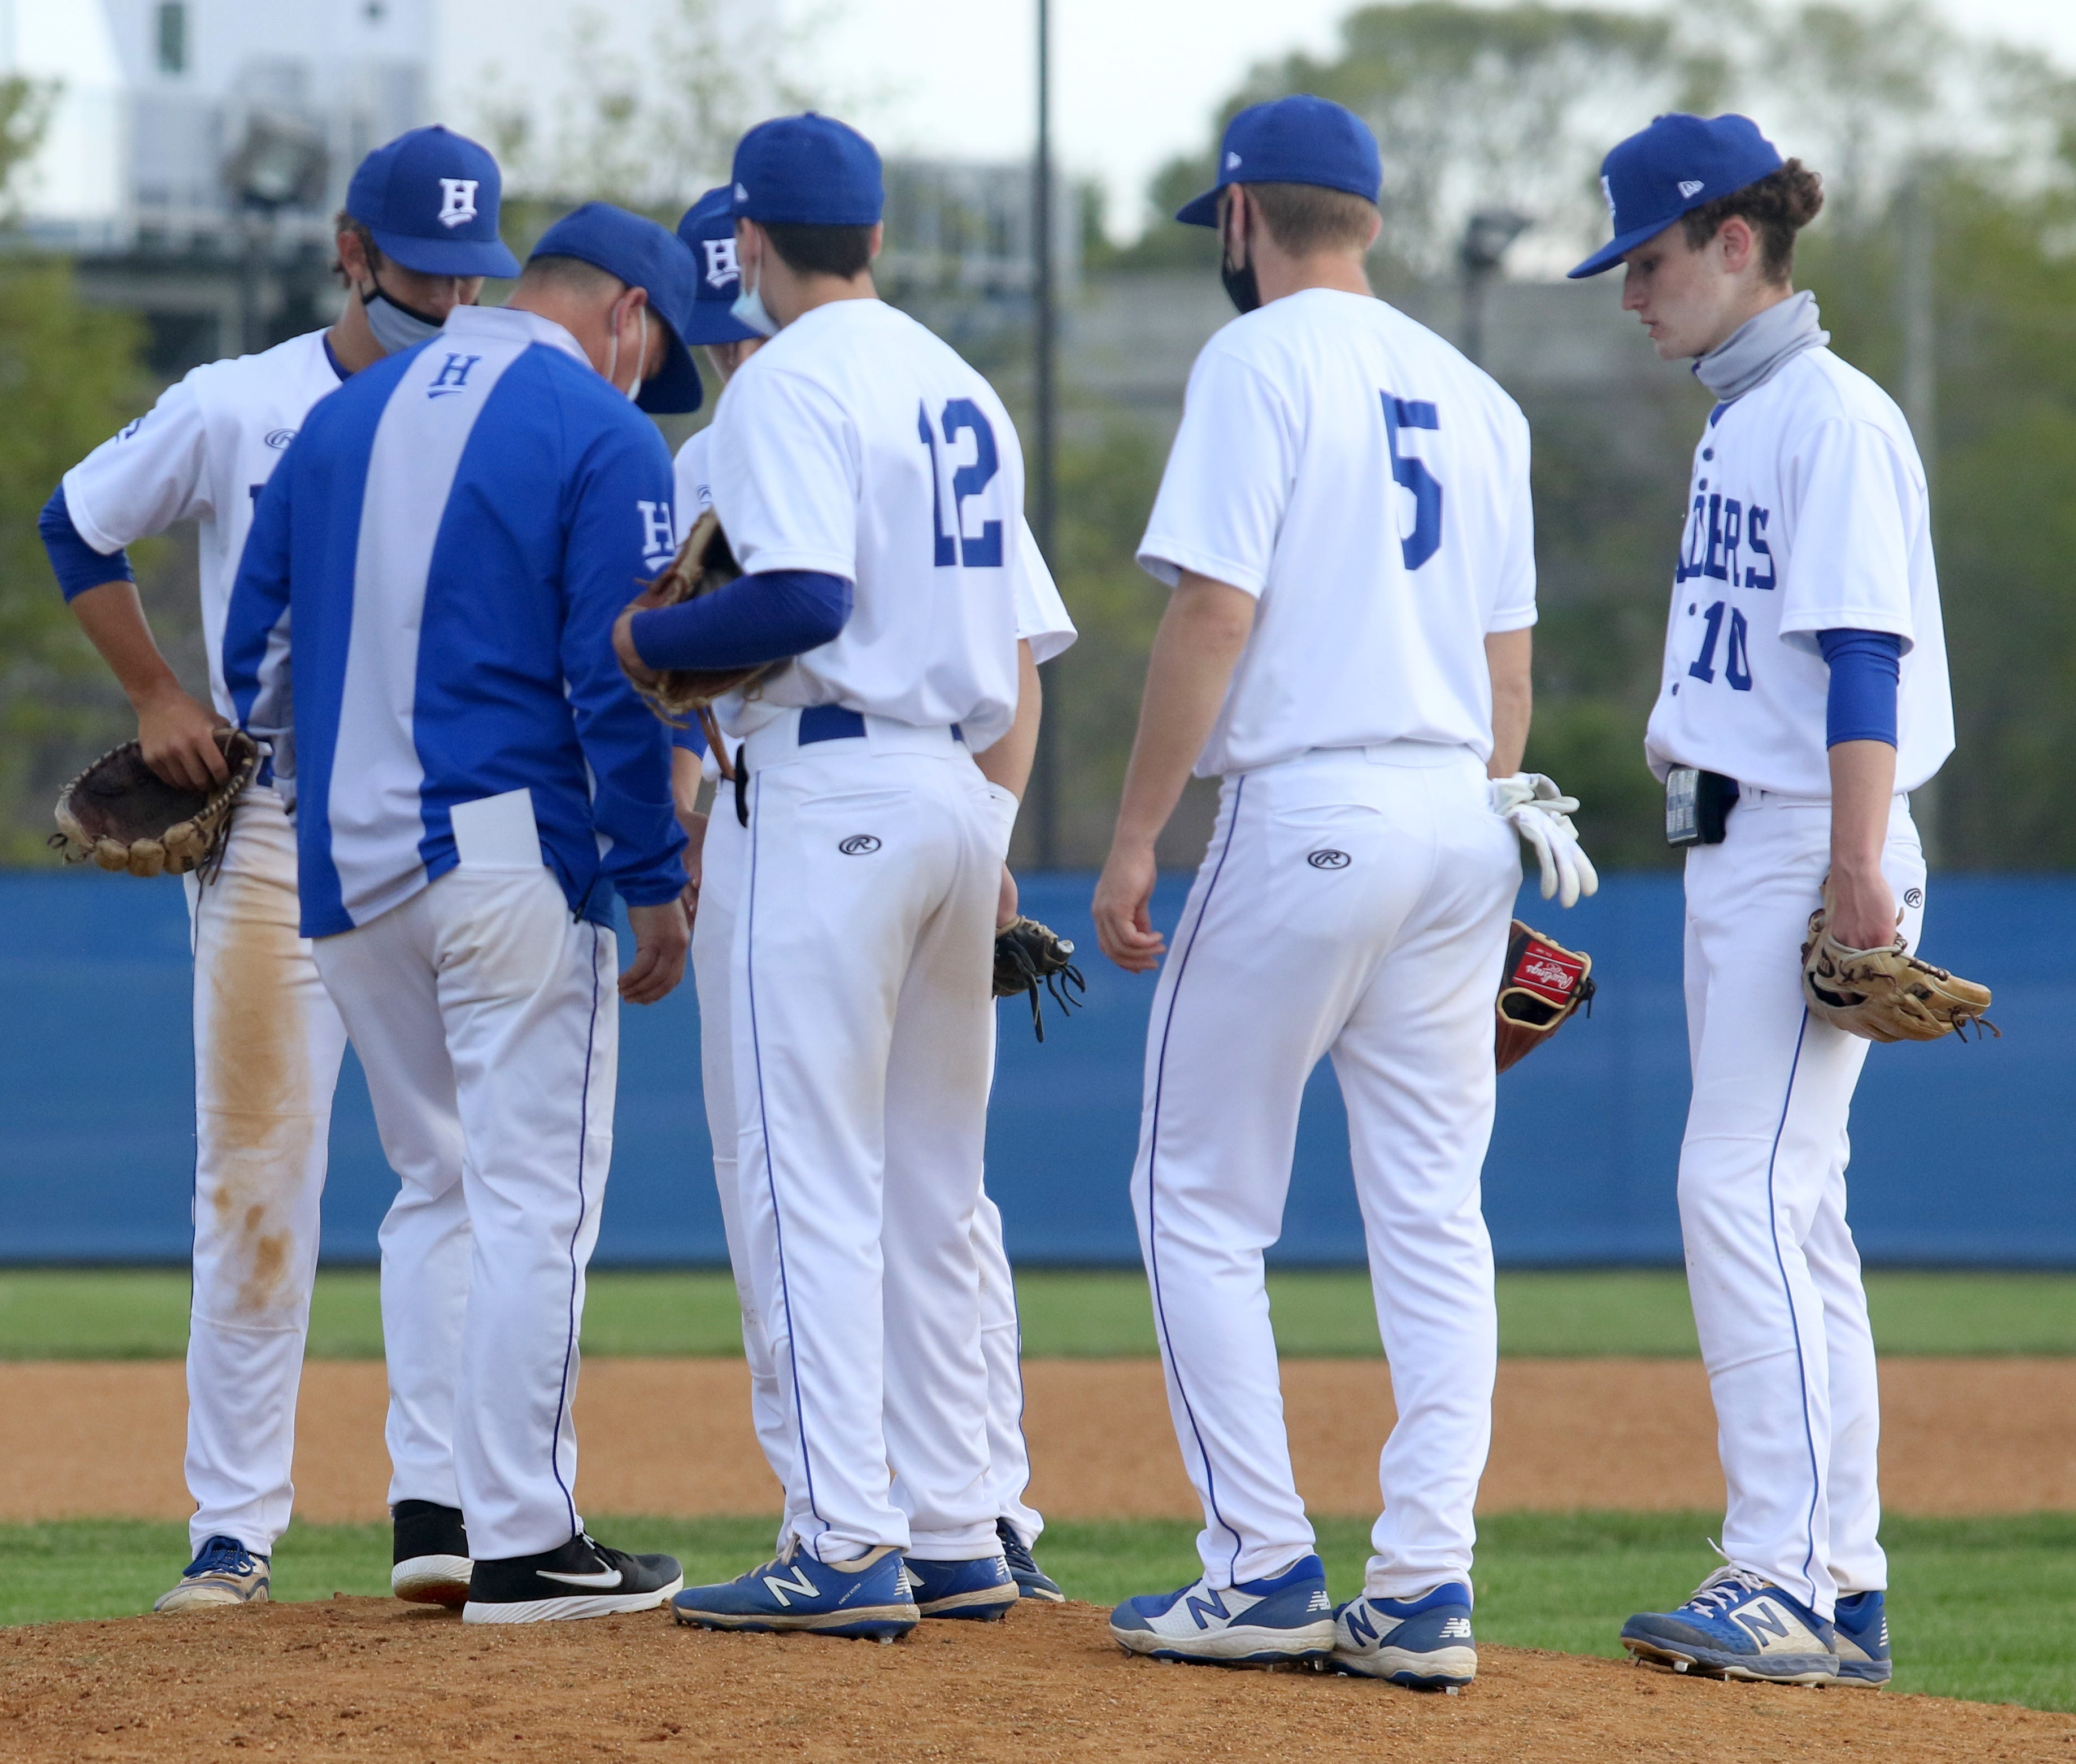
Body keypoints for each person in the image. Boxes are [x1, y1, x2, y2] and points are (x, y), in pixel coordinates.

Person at [1088, 95, 1594, 1687]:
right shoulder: (1480, 394)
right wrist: (1477, 841)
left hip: (1304, 803)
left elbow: (1212, 616)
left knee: (1190, 1195)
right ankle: (1426, 1588)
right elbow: (1510, 672)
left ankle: (1259, 1567)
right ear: (1365, 217)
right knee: (1434, 1217)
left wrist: (1132, 834)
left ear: (1244, 215)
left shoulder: (1255, 359)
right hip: (1460, 809)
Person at [37, 125, 517, 1615]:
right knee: (257, 1176)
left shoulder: (506, 400)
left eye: (467, 262)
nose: (446, 286)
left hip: (451, 824)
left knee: (453, 1167)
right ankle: (231, 1531)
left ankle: (436, 1503)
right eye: (418, 260)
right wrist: (156, 696)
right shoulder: (238, 403)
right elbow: (78, 518)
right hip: (283, 829)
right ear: (350, 252)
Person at [220, 201, 702, 1624]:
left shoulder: (339, 418)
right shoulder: (602, 431)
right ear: (622, 311)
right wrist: (650, 881)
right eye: (652, 346)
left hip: (341, 863)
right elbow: (614, 675)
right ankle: (531, 1541)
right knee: (530, 1192)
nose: (646, 375)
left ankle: (435, 1507)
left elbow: (254, 652)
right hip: (499, 844)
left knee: (434, 1180)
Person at [620, 115, 1045, 1639]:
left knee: (797, 1173)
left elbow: (800, 598)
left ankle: (838, 1539)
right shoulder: (955, 379)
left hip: (825, 795)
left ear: (755, 241)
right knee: (930, 1185)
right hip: (953, 792)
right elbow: (1010, 648)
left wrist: (641, 641)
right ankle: (952, 1529)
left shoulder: (787, 379)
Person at [1569, 114, 1949, 1688]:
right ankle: (1835, 1579)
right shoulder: (1749, 412)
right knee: (1786, 1204)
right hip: (1749, 840)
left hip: (1806, 838)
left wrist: (1858, 860)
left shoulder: (1827, 417)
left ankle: (1783, 1571)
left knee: (1737, 1189)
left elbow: (1865, 646)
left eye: (1647, 259)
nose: (1626, 293)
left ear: (1736, 243)